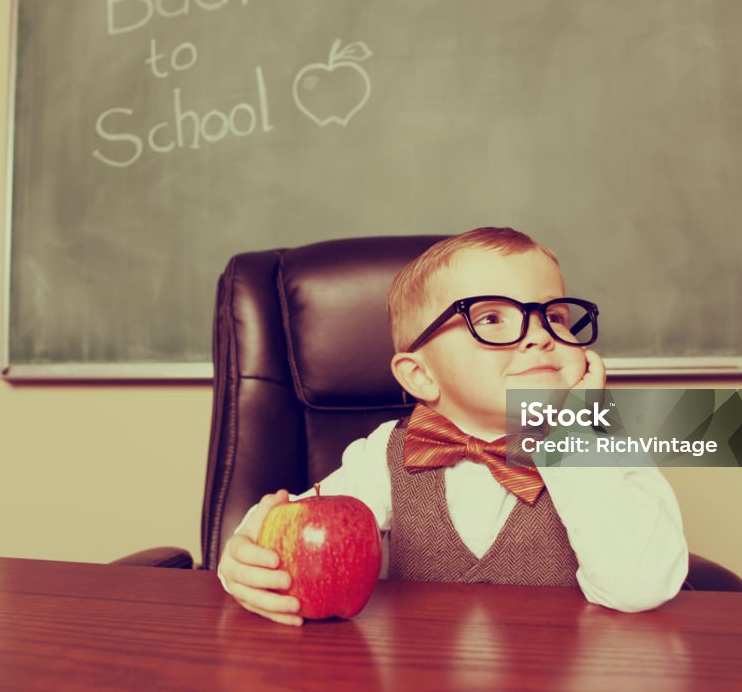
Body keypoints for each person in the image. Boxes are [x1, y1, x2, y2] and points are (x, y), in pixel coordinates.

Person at [218, 227, 688, 625]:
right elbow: (293, 531)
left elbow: (638, 587)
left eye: (555, 316)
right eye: (490, 317)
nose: (540, 335)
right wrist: (242, 562)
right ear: (420, 375)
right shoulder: (385, 453)